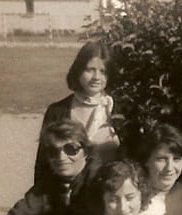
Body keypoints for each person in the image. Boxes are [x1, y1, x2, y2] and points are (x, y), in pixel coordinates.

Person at [34, 40, 120, 185]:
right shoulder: (57, 111)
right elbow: (43, 163)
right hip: (66, 193)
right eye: (90, 70)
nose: (96, 77)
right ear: (78, 71)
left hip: (109, 192)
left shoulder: (119, 109)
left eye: (103, 71)